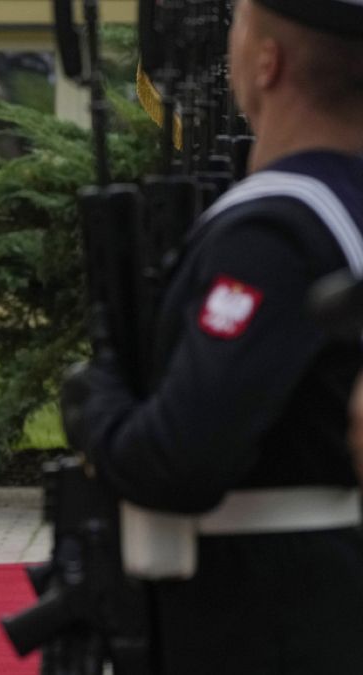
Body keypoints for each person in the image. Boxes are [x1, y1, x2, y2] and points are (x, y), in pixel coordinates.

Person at [62, 1, 363, 672]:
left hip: (265, 618)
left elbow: (177, 458)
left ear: (267, 61)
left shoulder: (275, 231)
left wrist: (94, 403)